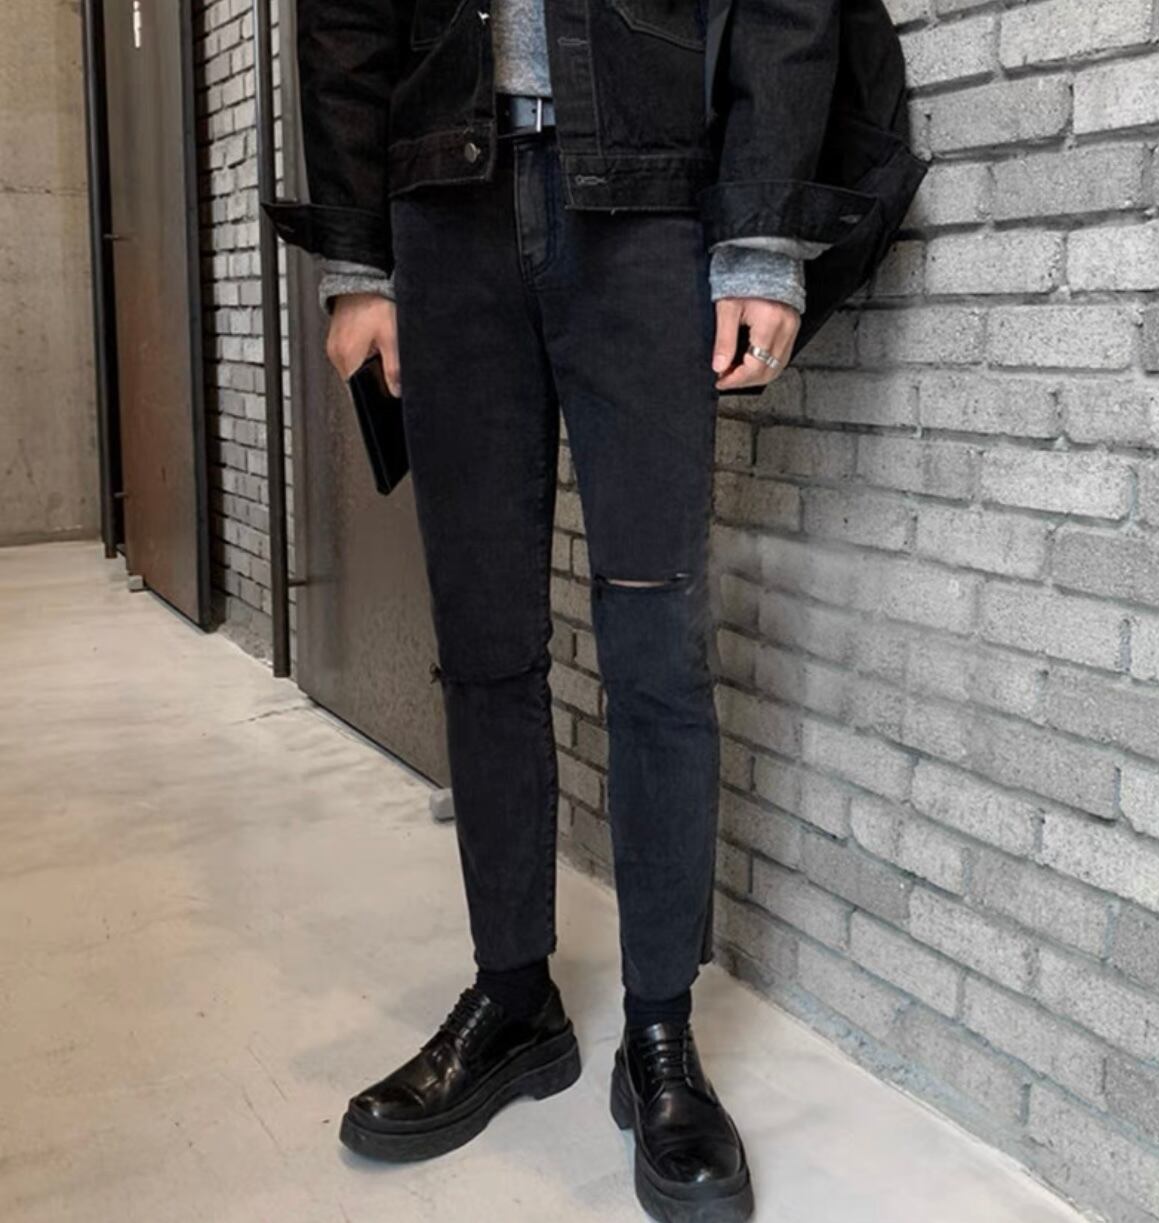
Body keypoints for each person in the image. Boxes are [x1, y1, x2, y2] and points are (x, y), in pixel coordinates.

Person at [265, 2, 923, 1219]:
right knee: (482, 639)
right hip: (444, 203)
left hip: (648, 198)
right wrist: (359, 258)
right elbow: (346, 16)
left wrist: (761, 237)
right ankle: (514, 997)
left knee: (657, 639)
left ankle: (659, 1030)